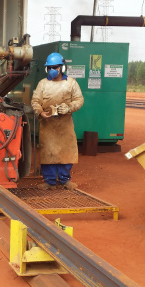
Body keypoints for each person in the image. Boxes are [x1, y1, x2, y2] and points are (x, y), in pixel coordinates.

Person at [31, 52, 84, 190]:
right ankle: (49, 181)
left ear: (62, 68)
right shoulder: (43, 84)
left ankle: (65, 180)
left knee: (66, 153)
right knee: (48, 153)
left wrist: (69, 108)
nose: (52, 70)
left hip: (65, 125)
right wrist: (40, 111)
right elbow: (35, 100)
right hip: (47, 125)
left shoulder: (71, 83)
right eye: (49, 68)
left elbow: (79, 100)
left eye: (55, 67)